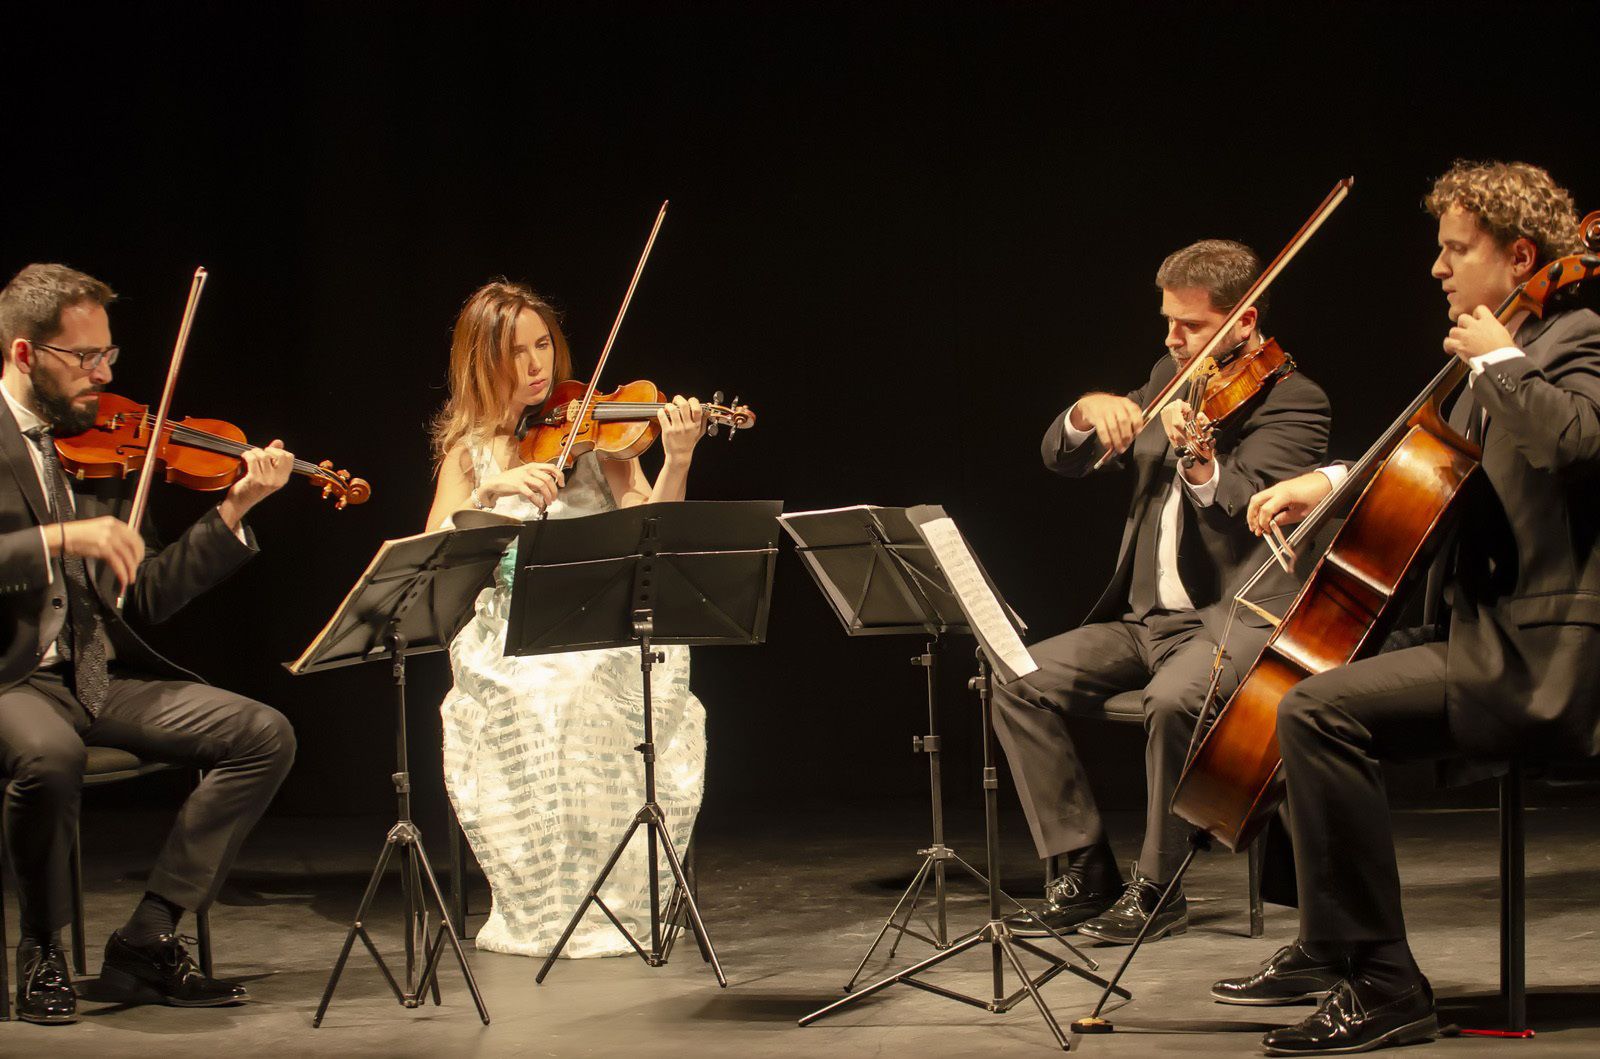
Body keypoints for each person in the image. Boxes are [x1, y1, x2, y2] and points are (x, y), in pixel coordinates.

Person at [1215, 160, 1600, 1055]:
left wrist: (1498, 360)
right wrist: (1327, 479)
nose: (1438, 267)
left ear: (1519, 256)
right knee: (1290, 677)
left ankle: (1385, 982)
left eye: (1456, 250)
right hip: (1479, 628)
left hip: (1541, 651)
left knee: (1318, 711)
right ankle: (1327, 937)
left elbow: (1577, 443)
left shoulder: (1573, 335)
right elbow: (1427, 467)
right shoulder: (1491, 355)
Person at [992, 240, 1330, 944]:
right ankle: (1084, 868)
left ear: (1243, 322)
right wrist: (1087, 411)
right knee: (1012, 675)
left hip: (1226, 620)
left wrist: (1199, 457)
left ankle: (1160, 884)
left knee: (1175, 700)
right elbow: (1065, 458)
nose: (1171, 338)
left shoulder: (1296, 400)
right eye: (1168, 321)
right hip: (1141, 620)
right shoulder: (1164, 376)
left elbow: (1243, 505)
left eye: (1191, 325)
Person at [0, 264, 297, 1024]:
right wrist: (55, 535)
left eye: (109, 356)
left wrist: (236, 507)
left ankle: (147, 936)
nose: (101, 377)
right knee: (49, 756)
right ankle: (41, 950)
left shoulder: (93, 442)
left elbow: (149, 594)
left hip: (97, 677)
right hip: (13, 681)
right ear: (25, 355)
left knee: (261, 732)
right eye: (83, 359)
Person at [425, 279, 708, 958]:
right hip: (509, 633)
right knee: (539, 700)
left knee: (589, 694)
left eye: (542, 344)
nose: (536, 366)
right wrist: (490, 489)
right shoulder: (469, 450)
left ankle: (616, 899)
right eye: (515, 352)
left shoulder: (595, 427)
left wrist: (680, 456)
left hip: (604, 619)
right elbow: (434, 546)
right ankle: (544, 904)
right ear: (480, 364)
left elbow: (651, 526)